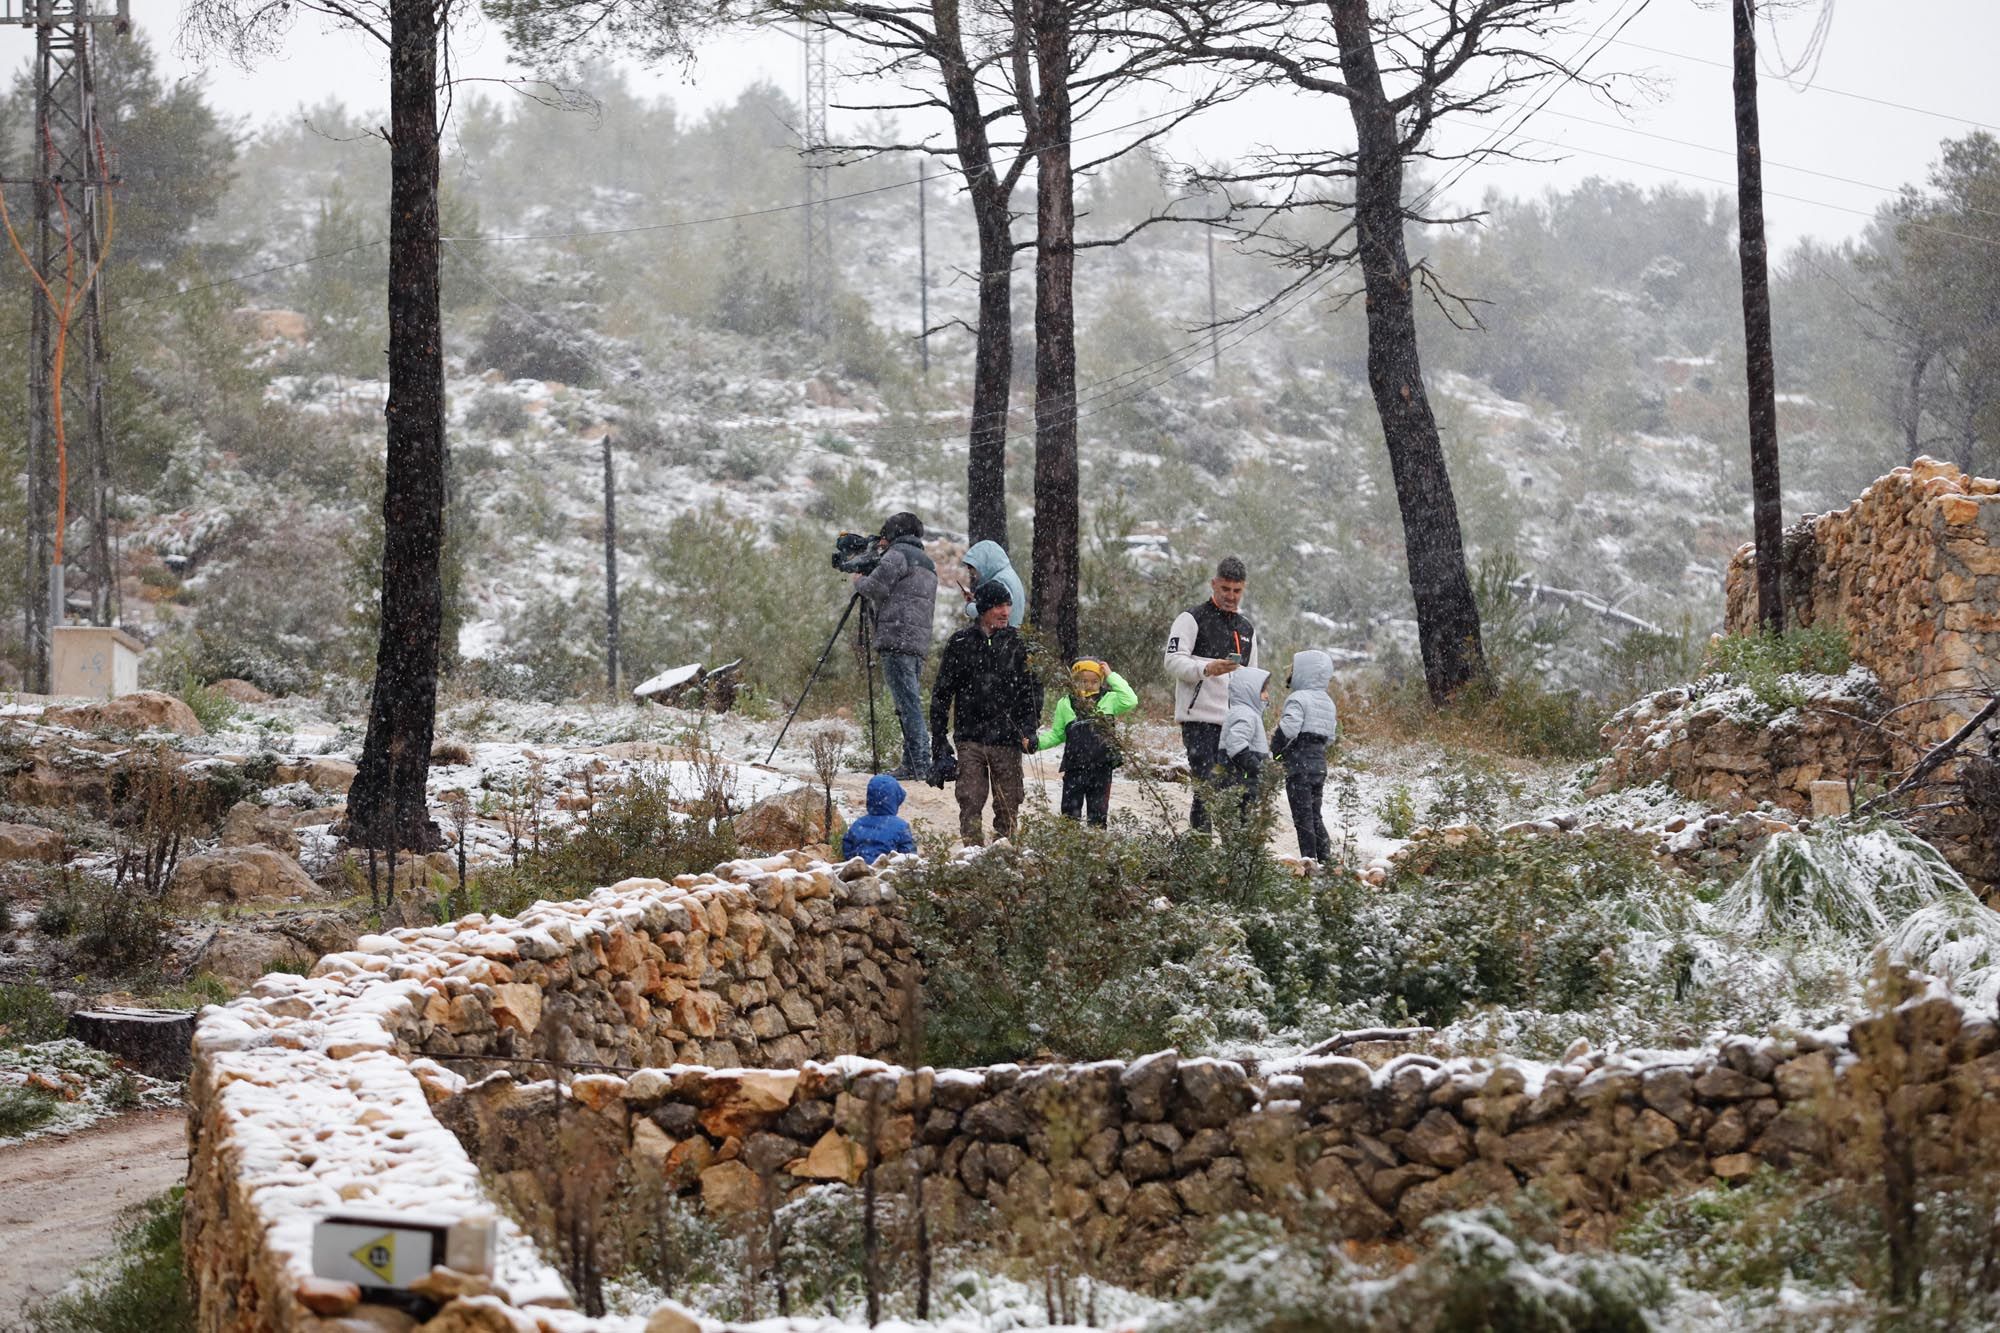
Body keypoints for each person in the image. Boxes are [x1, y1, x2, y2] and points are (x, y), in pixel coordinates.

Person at [929, 580, 1041, 844]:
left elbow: (1033, 692)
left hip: (1007, 740)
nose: (1005, 612)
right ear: (983, 609)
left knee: (1008, 804)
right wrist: (939, 738)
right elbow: (942, 693)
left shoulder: (1019, 643)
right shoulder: (960, 642)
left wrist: (1028, 728)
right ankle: (972, 856)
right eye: (998, 606)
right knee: (969, 800)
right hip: (970, 739)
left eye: (1008, 605)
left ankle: (1005, 856)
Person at [1163, 556, 1258, 830]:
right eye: (1225, 589)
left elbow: (1252, 677)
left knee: (1233, 792)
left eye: (1236, 591)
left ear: (1244, 589)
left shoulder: (1247, 629)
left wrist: (1255, 714)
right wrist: (1208, 669)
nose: (1230, 596)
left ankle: (1232, 858)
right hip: (1199, 721)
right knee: (1206, 788)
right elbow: (1172, 661)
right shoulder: (1191, 618)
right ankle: (1200, 852)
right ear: (1213, 584)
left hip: (1235, 724)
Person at [852, 511, 939, 781]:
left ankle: (917, 764)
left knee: (908, 703)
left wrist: (858, 580)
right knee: (910, 701)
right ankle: (916, 760)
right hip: (917, 641)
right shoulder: (927, 562)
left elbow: (875, 588)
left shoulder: (898, 554)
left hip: (896, 637)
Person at [1035, 658, 1138, 828]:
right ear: (1075, 681)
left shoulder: (1110, 699)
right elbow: (1056, 734)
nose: (1089, 685)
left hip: (1102, 768)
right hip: (1074, 768)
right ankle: (1069, 850)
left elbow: (1131, 700)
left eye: (1095, 681)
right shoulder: (1065, 703)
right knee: (1069, 816)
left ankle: (1097, 850)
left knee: (1098, 816)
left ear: (1101, 681)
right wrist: (1035, 743)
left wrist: (1111, 675)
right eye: (1084, 681)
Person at [1271, 650, 1339, 861]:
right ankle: (1326, 861)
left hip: (1298, 765)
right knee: (1315, 814)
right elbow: (1330, 736)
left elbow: (1290, 728)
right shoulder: (1328, 702)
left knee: (1303, 818)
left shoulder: (1298, 698)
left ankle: (1309, 862)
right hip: (1319, 764)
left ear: (1303, 672)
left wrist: (1276, 749)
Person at [1216, 665, 1272, 817]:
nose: (1267, 696)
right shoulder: (1245, 713)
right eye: (1263, 691)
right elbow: (1236, 743)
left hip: (1241, 779)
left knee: (1241, 823)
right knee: (1241, 821)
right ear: (1249, 692)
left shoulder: (1247, 713)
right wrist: (1256, 766)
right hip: (1241, 781)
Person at [841, 772, 919, 863]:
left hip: (860, 869)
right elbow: (909, 855)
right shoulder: (901, 826)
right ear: (895, 800)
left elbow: (847, 845)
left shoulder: (858, 823)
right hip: (887, 871)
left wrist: (852, 858)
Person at [958, 539, 1027, 629]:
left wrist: (969, 607)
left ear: (984, 563)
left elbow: (989, 614)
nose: (973, 574)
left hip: (1002, 637)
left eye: (973, 568)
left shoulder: (1000, 580)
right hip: (1010, 635)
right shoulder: (1009, 575)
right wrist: (977, 600)